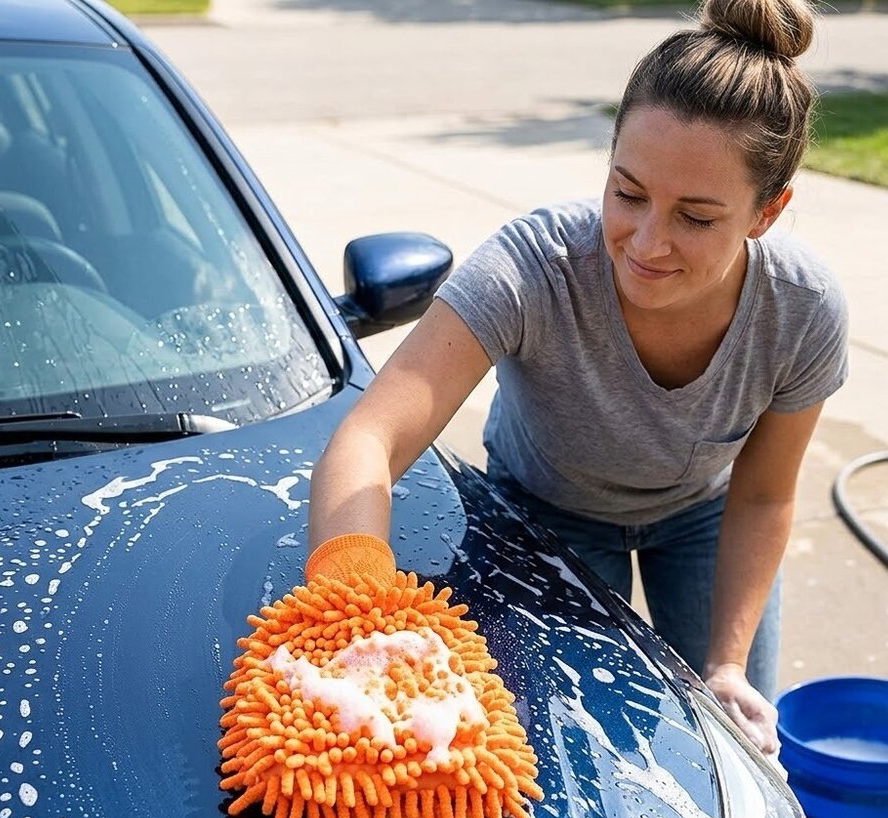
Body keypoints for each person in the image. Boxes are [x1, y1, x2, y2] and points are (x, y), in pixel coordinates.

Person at [305, 0, 848, 755]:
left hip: (703, 518)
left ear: (767, 212)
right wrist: (353, 599)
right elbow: (369, 437)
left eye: (696, 218)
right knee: (574, 752)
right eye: (628, 193)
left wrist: (725, 663)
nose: (648, 242)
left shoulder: (803, 309)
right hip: (545, 509)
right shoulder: (534, 267)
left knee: (732, 742)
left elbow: (764, 494)